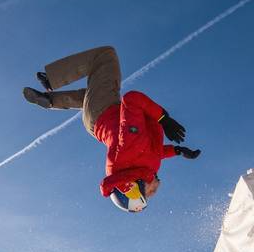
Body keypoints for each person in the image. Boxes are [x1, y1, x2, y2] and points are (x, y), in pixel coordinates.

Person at [22, 46, 201, 212]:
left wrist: (163, 118)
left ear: (133, 186)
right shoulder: (142, 167)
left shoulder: (130, 150)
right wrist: (177, 150)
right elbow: (151, 151)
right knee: (91, 93)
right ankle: (51, 100)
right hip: (100, 120)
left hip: (103, 111)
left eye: (146, 195)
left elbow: (132, 100)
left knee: (105, 56)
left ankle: (52, 78)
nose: (152, 194)